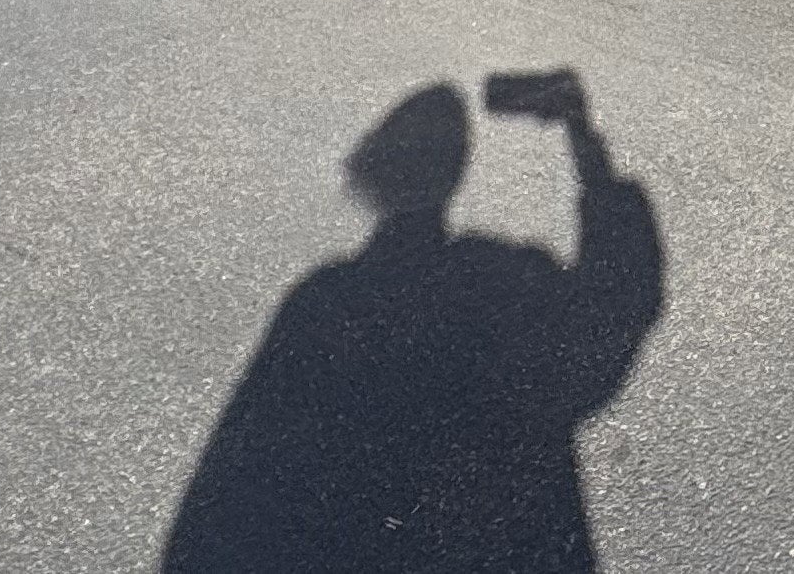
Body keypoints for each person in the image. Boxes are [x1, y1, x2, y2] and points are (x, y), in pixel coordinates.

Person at [162, 72, 663, 573]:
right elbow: (614, 309)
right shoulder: (500, 287)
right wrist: (583, 142)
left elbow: (233, 492)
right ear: (457, 168)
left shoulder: (329, 305)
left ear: (373, 168)